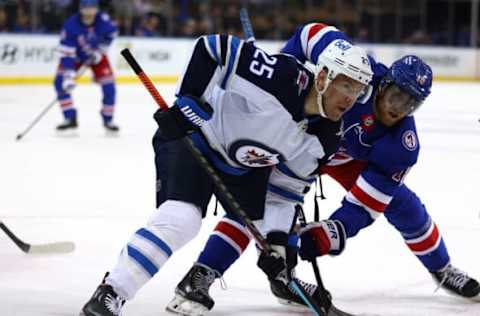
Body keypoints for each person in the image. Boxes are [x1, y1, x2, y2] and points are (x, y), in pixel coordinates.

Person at [168, 22, 480, 315]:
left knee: (404, 205)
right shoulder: (359, 69)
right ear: (384, 83)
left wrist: (331, 232)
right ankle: (203, 273)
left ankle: (442, 268)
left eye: (411, 105)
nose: (398, 109)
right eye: (397, 96)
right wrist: (285, 71)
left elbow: (365, 205)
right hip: (301, 139)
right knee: (258, 201)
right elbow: (309, 33)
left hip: (344, 159)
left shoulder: (401, 145)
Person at [79, 30, 373, 316]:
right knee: (183, 219)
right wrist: (188, 101)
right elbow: (212, 48)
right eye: (346, 85)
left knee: (255, 223)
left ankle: (222, 278)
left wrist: (278, 249)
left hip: (245, 167)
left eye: (358, 90)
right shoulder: (281, 78)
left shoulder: (328, 136)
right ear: (322, 77)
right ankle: (111, 293)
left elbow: (285, 192)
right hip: (196, 137)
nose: (350, 98)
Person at [54, 0, 119, 133]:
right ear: (80, 10)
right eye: (86, 9)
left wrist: (100, 51)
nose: (89, 12)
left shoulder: (104, 21)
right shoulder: (70, 25)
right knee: (60, 82)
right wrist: (69, 75)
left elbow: (112, 34)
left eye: (92, 9)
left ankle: (108, 119)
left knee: (109, 86)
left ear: (97, 9)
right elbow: (67, 52)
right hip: (75, 57)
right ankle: (70, 117)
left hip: (97, 57)